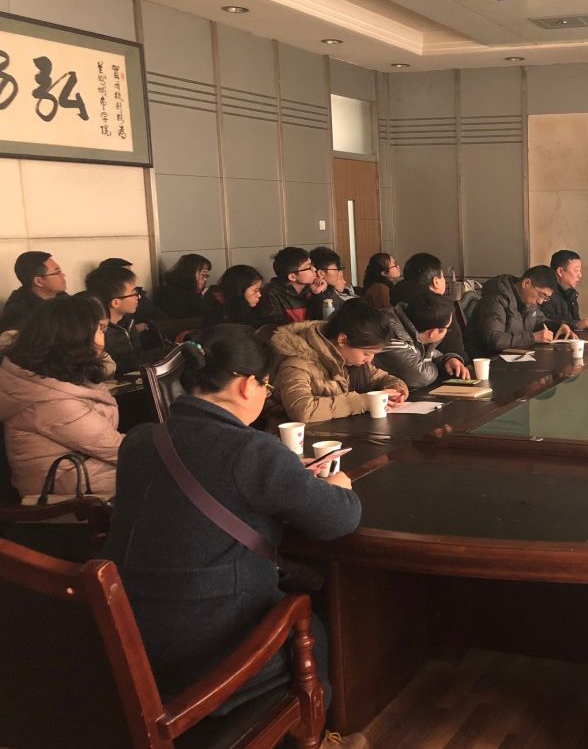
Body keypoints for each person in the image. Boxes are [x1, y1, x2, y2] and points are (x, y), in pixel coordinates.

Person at [100, 325, 367, 747]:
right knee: (309, 621)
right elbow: (338, 520)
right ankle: (310, 739)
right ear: (246, 385)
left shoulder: (139, 441)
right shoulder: (252, 450)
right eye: (266, 385)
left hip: (128, 641)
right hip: (208, 656)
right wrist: (339, 488)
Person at [0, 295, 122, 501]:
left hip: (82, 477)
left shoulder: (53, 374)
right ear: (76, 338)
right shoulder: (48, 399)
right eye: (100, 330)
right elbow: (114, 448)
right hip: (63, 499)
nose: (103, 340)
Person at [270, 298, 409, 423]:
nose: (369, 360)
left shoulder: (351, 361)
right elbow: (302, 411)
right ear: (342, 340)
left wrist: (396, 390)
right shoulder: (296, 362)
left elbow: (384, 378)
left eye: (373, 354)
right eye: (366, 353)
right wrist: (364, 402)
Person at [380, 252, 470, 367]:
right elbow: (455, 349)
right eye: (443, 277)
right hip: (435, 369)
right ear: (436, 281)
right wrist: (460, 360)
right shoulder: (440, 309)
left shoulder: (396, 299)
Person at [468, 265, 569, 356]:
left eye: (546, 298)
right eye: (541, 295)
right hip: (490, 361)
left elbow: (540, 321)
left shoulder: (528, 300)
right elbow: (495, 340)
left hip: (514, 358)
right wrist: (533, 338)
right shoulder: (497, 299)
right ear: (526, 283)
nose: (541, 301)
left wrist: (559, 327)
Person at [85, 264, 163, 377]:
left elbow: (138, 355)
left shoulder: (127, 321)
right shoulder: (99, 331)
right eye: (134, 293)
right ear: (115, 302)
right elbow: (123, 365)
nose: (138, 297)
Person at [378, 292, 469, 388]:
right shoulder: (390, 335)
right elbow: (422, 377)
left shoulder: (409, 327)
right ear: (433, 333)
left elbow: (430, 354)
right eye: (448, 328)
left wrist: (448, 360)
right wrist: (439, 367)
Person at [0, 251, 68, 331]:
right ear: (38, 281)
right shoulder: (19, 313)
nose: (63, 275)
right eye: (57, 272)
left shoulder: (60, 295)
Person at [259, 247, 328, 326]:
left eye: (312, 265)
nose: (315, 269)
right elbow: (276, 328)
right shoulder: (271, 293)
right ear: (292, 277)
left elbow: (324, 322)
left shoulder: (312, 288)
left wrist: (317, 294)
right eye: (309, 267)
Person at [542, 250, 588, 332]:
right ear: (560, 271)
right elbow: (545, 322)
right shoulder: (545, 293)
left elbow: (576, 323)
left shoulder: (571, 293)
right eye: (576, 270)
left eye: (580, 271)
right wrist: (576, 324)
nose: (580, 275)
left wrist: (579, 324)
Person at [153, 253, 212, 319]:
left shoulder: (194, 292)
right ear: (190, 273)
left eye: (206, 276)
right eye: (203, 275)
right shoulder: (169, 293)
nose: (205, 279)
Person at [309, 246, 357, 313]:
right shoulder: (310, 294)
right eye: (335, 269)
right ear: (321, 273)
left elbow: (344, 308)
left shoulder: (329, 289)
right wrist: (318, 294)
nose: (338, 272)